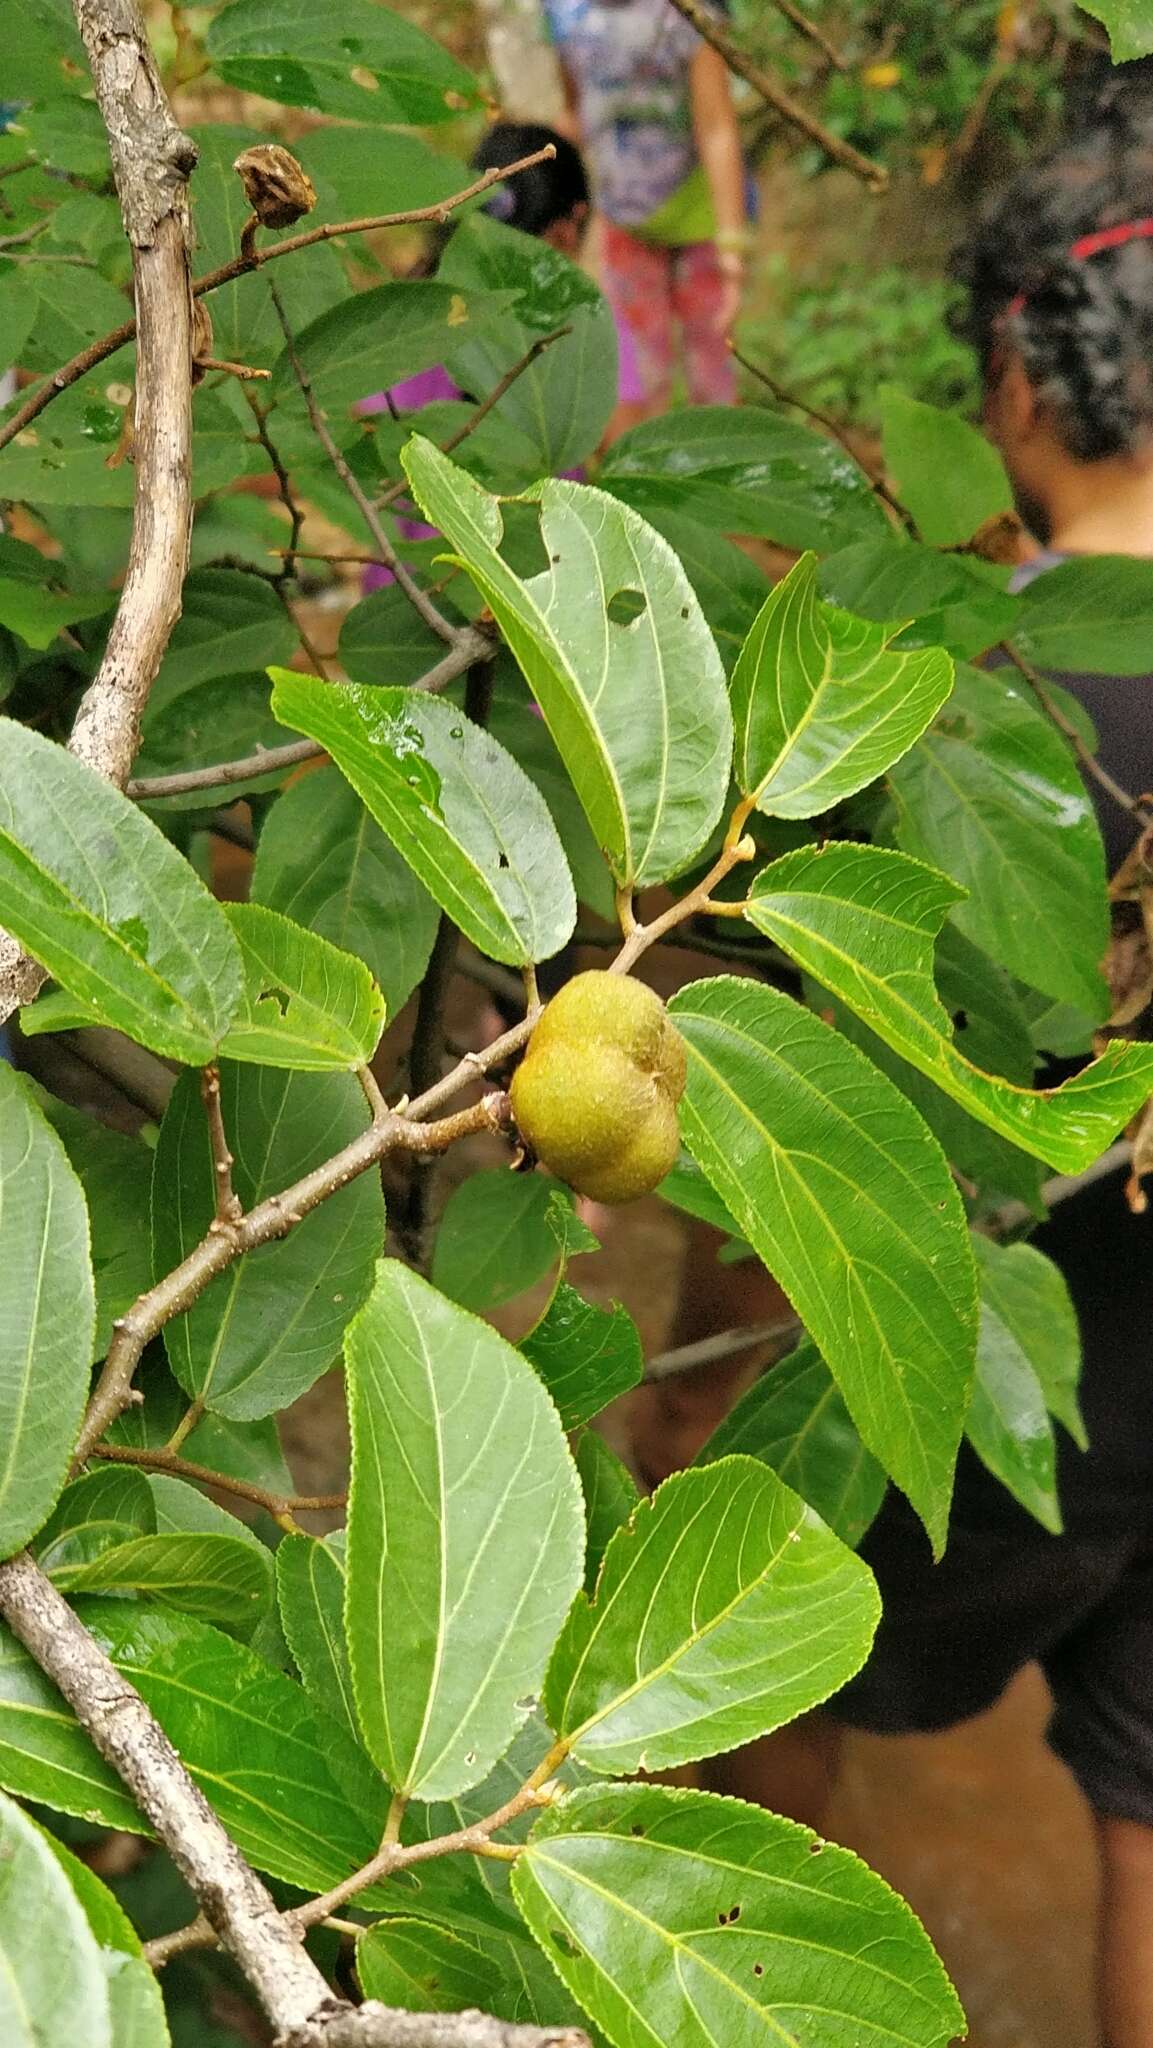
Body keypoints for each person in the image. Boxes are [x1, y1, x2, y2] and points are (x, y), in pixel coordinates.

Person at [632, 61, 1153, 2048]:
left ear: (1020, 378)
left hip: (951, 1402)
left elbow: (776, 1102)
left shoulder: (936, 701)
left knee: (770, 1702)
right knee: (1141, 1826)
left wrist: (697, 1396)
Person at [359, 119, 643, 593]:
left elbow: (361, 441)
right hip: (540, 591)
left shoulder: (408, 314)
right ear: (570, 226)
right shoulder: (587, 322)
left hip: (411, 593)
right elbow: (624, 451)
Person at [542, 0, 748, 430]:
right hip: (624, 223)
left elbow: (717, 126)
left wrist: (732, 245)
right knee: (640, 374)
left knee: (711, 371)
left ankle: (721, 474)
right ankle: (650, 484)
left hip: (699, 221)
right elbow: (575, 110)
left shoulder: (687, 16)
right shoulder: (566, 15)